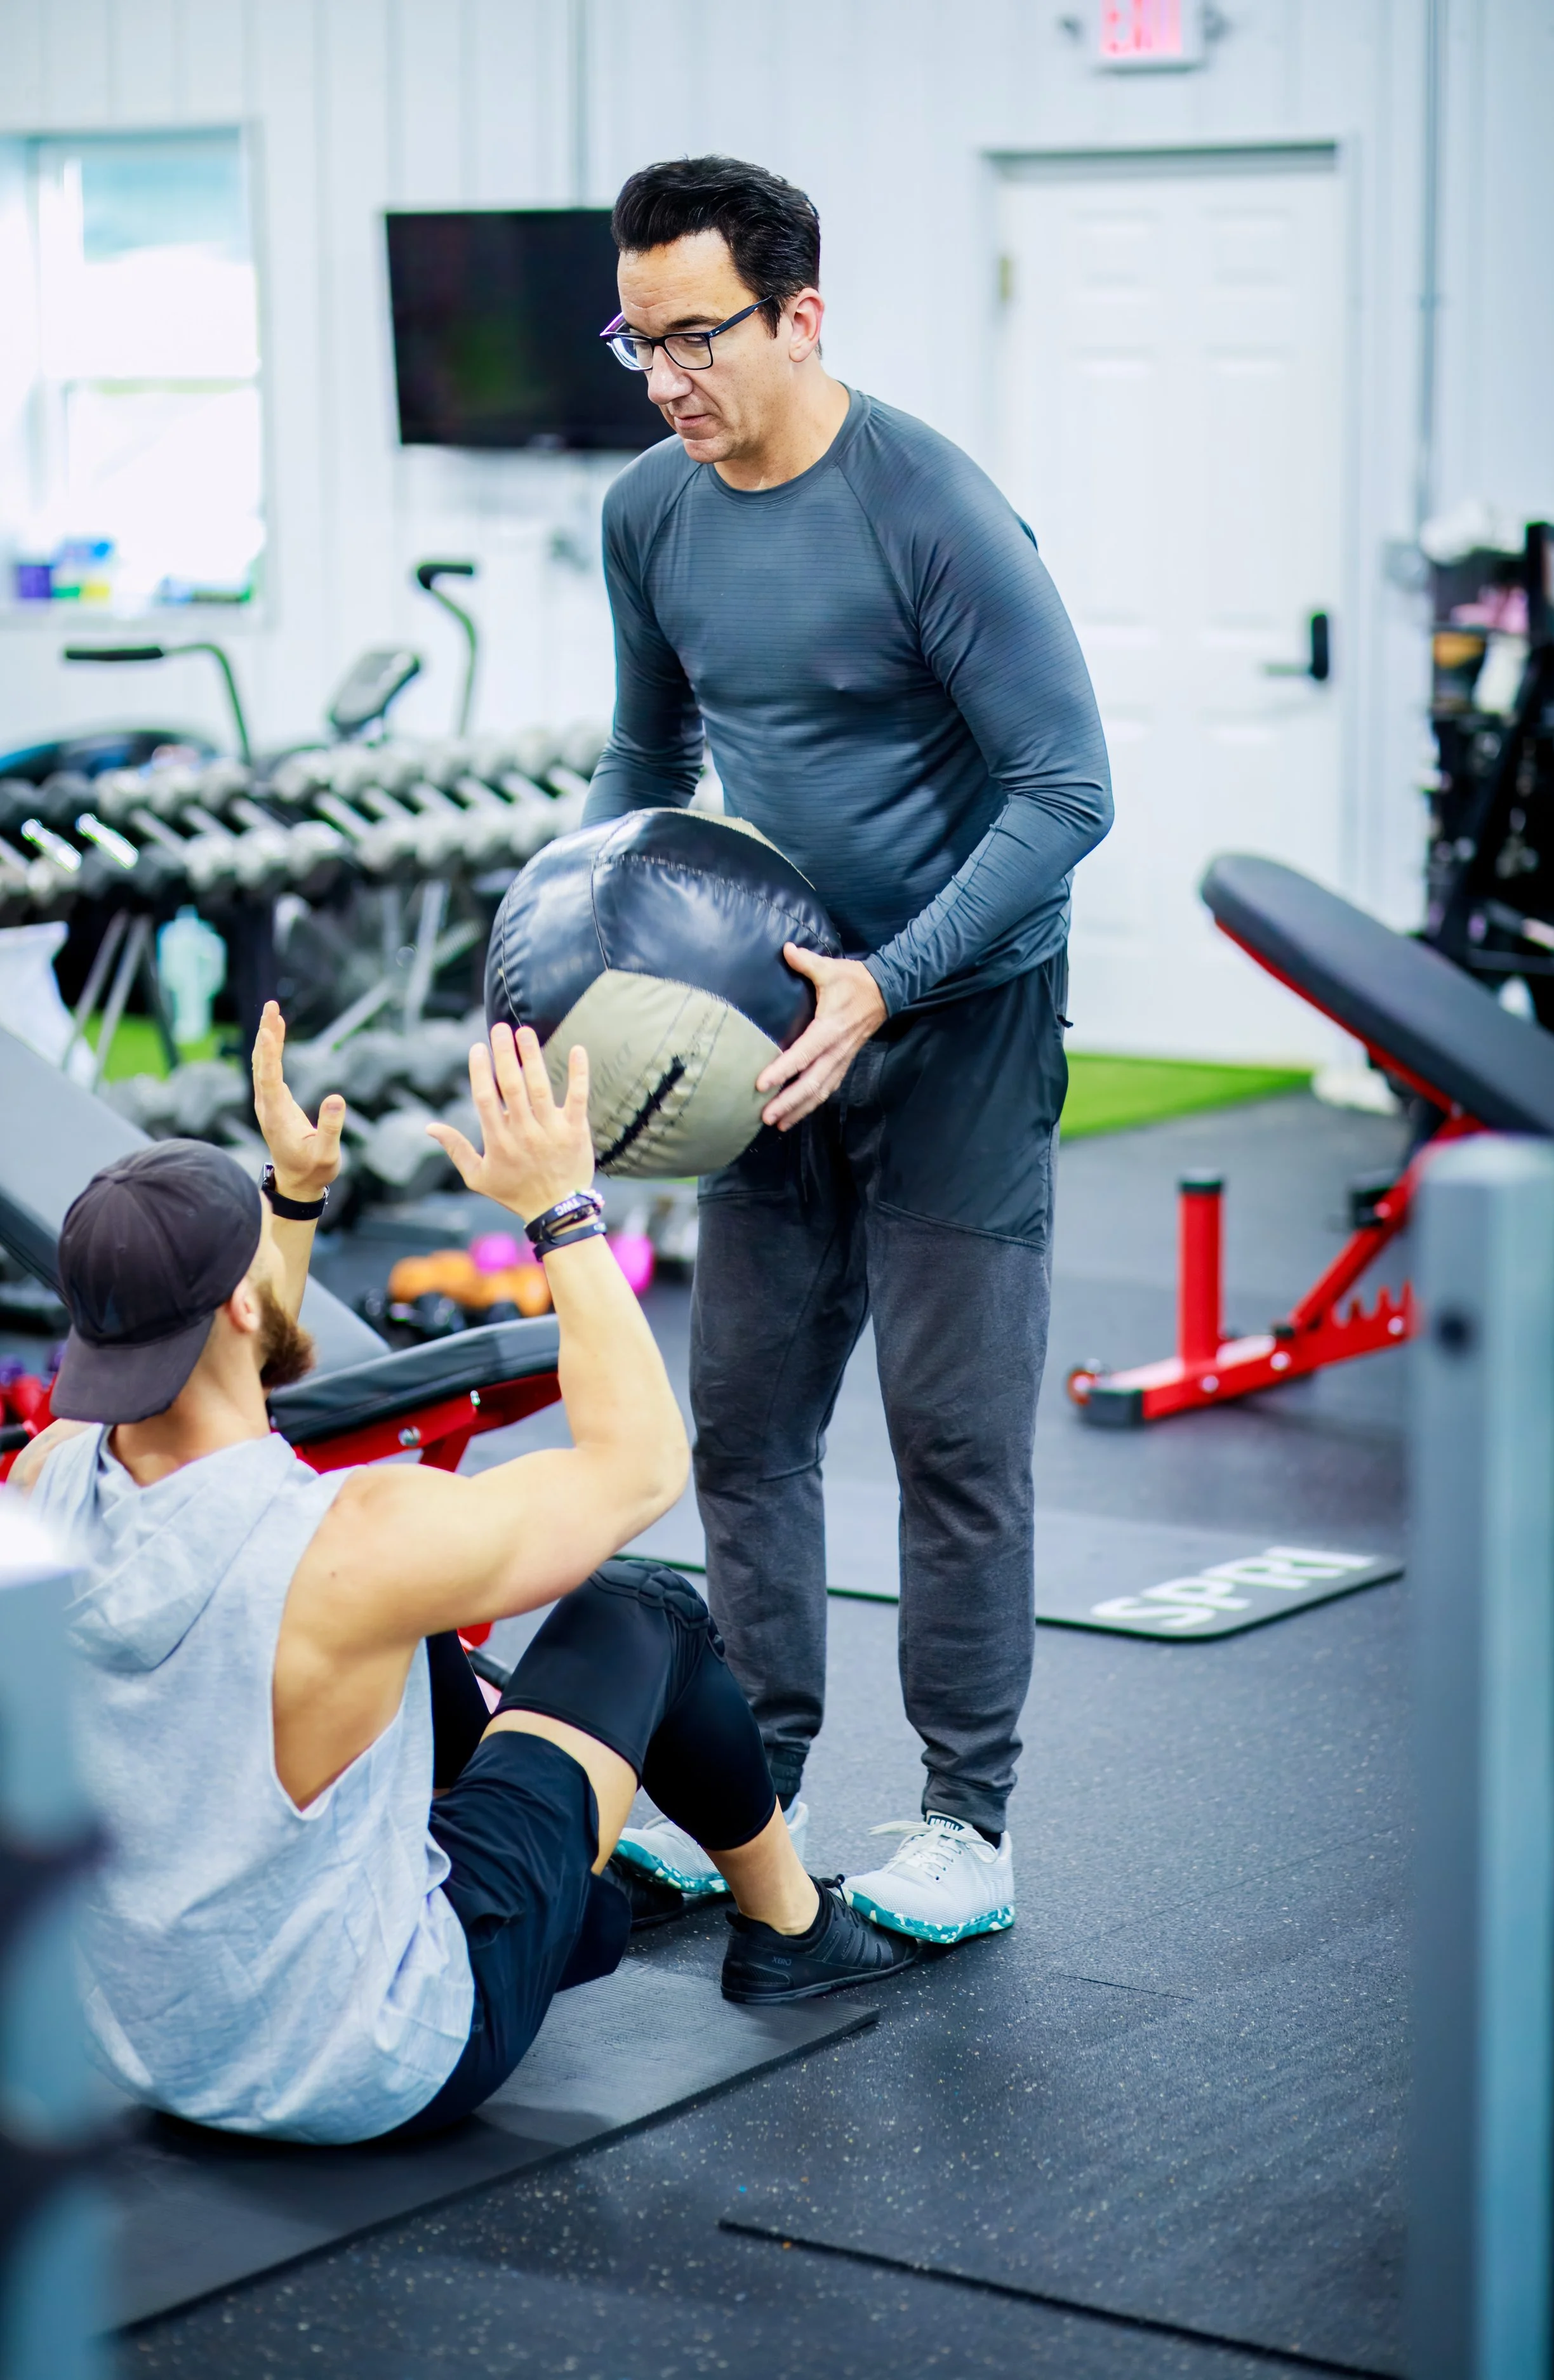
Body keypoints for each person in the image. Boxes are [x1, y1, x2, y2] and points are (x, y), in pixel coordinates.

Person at [14, 1005, 911, 2146]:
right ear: (241, 1305)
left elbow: (224, 1380)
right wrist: (562, 1207)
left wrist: (291, 1197)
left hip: (146, 2049)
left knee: (426, 1642)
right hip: (370, 2061)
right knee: (641, 1610)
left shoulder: (44, 1485)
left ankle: (551, 1877)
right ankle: (792, 1931)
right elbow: (637, 1467)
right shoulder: (355, 1542)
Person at [587, 155, 1113, 1945]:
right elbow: (640, 771)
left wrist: (886, 980)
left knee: (950, 1435)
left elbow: (1066, 793)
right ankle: (756, 1781)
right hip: (760, 1021)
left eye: (696, 335)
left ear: (800, 315)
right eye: (637, 337)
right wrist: (576, 963)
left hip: (954, 1019)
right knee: (741, 1418)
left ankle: (967, 1817)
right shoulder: (649, 512)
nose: (665, 377)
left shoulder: (928, 507)